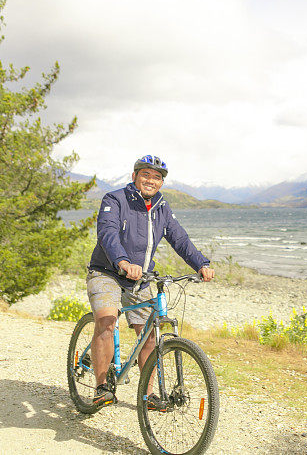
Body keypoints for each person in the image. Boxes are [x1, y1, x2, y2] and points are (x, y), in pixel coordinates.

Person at [86, 154, 214, 411]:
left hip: (141, 279)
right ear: (134, 177)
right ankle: (102, 387)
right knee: (107, 321)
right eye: (146, 174)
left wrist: (201, 263)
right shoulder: (115, 199)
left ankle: (148, 394)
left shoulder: (161, 208)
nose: (151, 181)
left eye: (157, 177)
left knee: (149, 337)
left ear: (161, 183)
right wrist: (122, 261)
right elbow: (107, 233)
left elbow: (180, 239)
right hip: (107, 272)